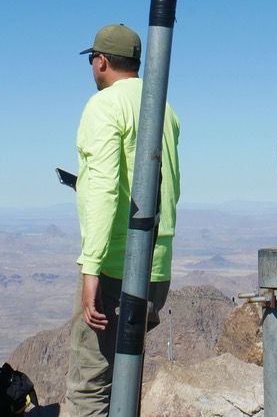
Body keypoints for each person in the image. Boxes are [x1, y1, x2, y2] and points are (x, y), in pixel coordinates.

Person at [66, 24, 180, 417]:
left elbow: (104, 191)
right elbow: (170, 186)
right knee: (125, 379)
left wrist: (91, 268)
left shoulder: (103, 106)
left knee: (90, 390)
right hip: (157, 269)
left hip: (117, 267)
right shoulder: (164, 108)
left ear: (100, 62)